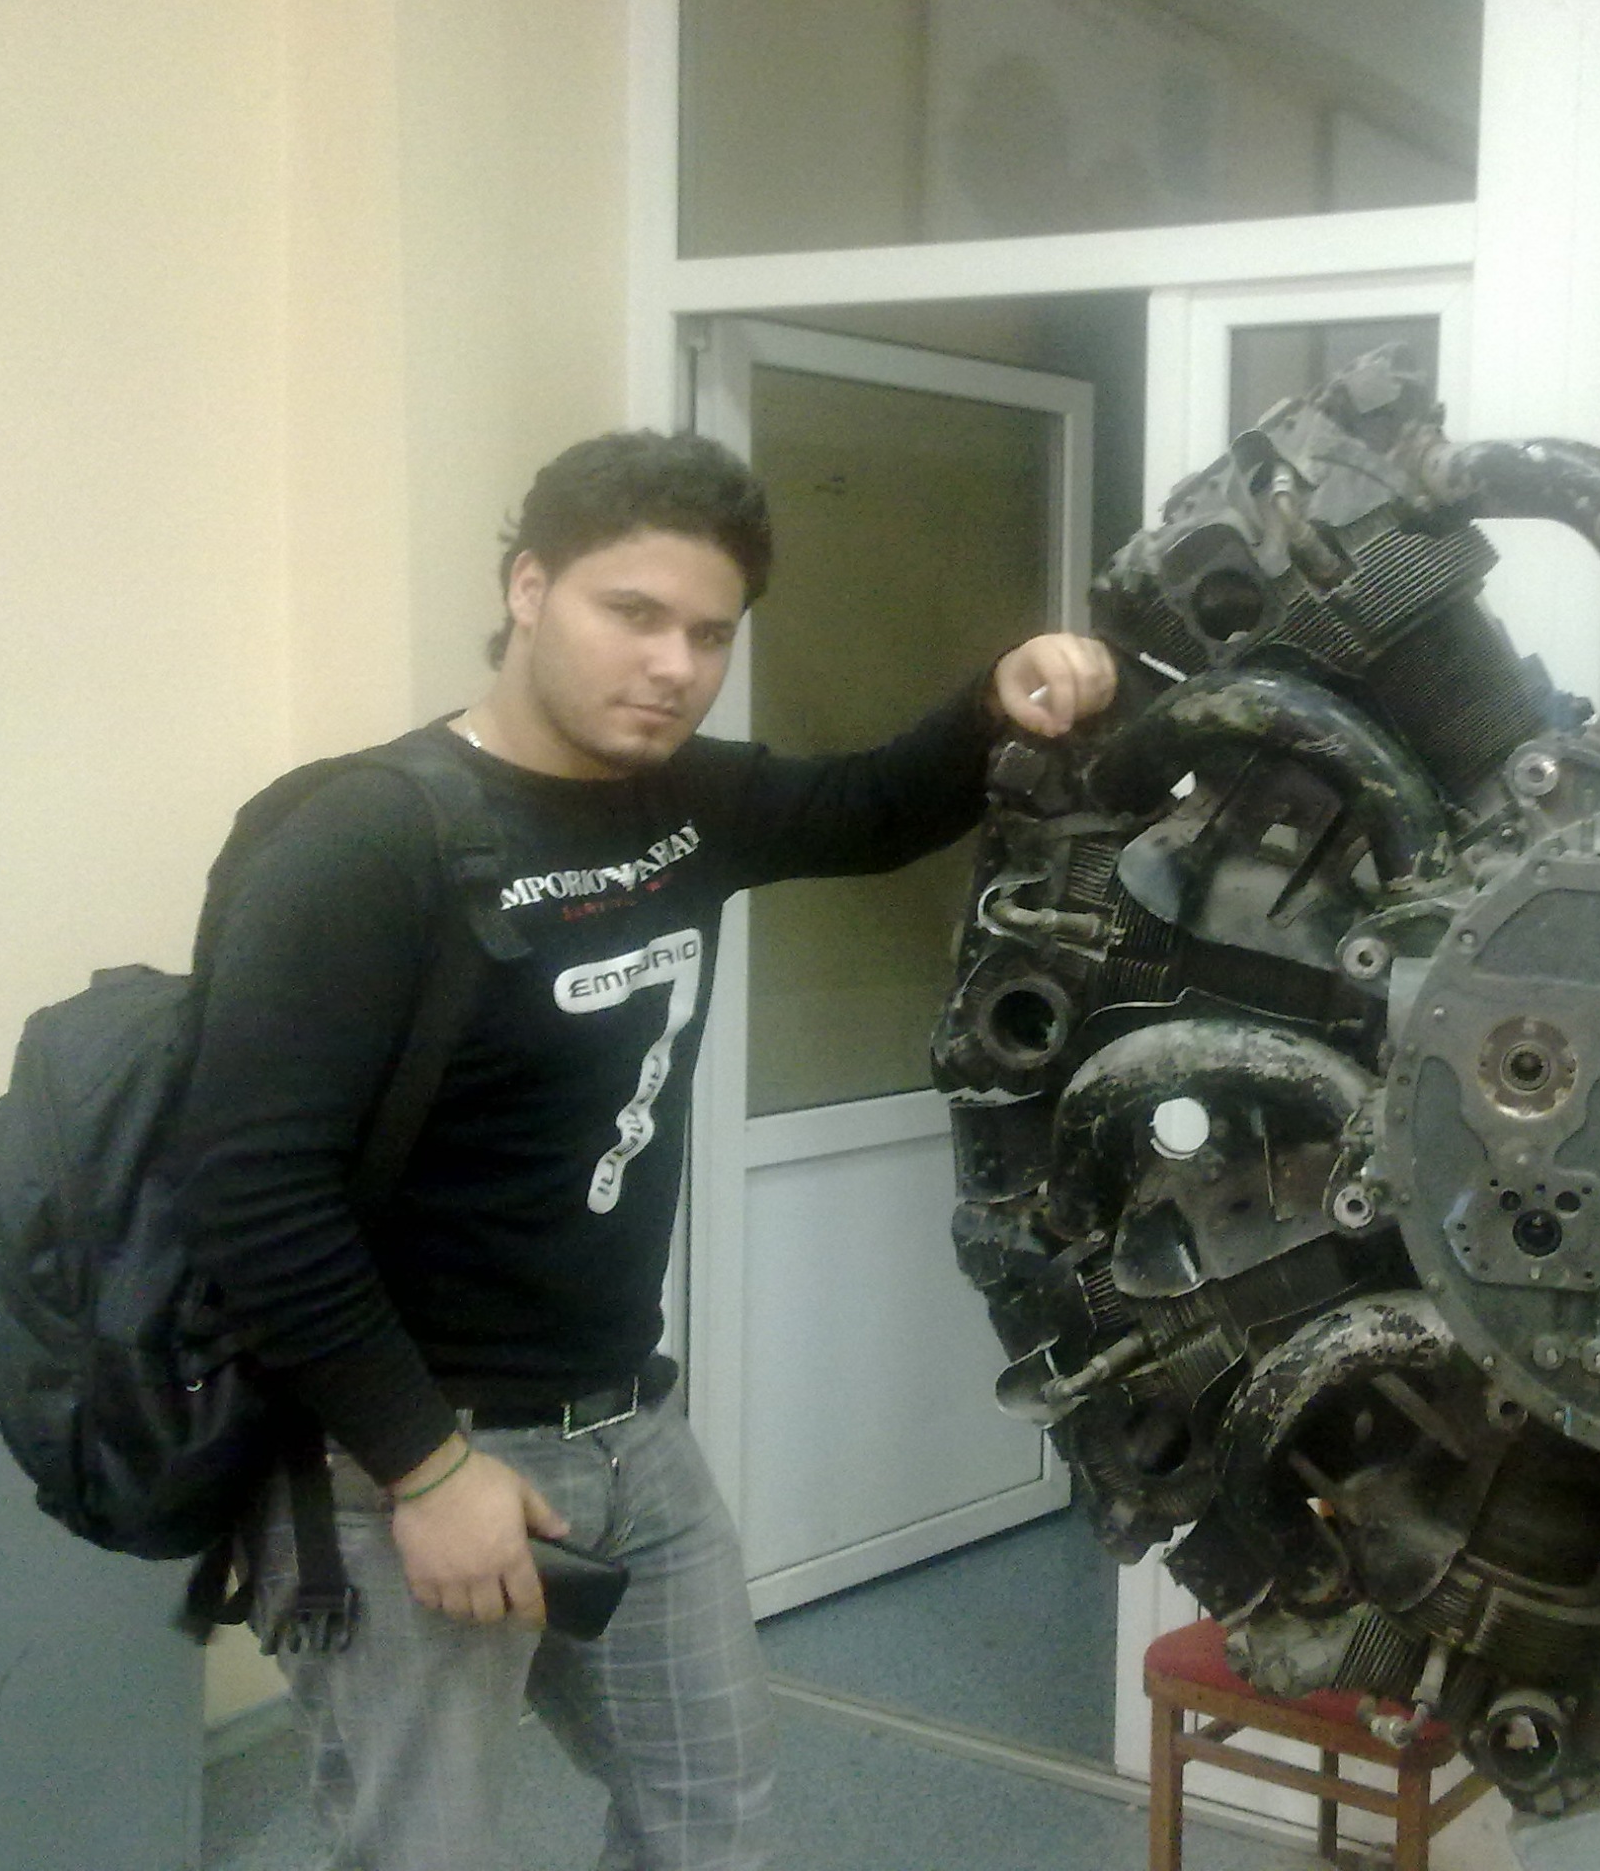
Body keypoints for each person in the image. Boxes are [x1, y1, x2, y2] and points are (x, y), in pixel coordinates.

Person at [175, 427, 1118, 1870]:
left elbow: (873, 806)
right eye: (634, 614)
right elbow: (254, 1190)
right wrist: (427, 1471)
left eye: (710, 634)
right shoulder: (366, 839)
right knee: (423, 1852)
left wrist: (1005, 696)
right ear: (529, 587)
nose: (675, 665)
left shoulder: (683, 801)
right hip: (401, 1454)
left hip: (629, 1431)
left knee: (708, 1823)